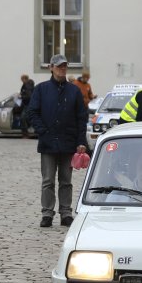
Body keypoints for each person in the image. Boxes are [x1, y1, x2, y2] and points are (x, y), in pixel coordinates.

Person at [23, 54, 89, 228]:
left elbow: (81, 117)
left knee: (66, 181)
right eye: (59, 66)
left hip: (68, 142)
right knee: (48, 181)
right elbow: (32, 112)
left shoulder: (74, 91)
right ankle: (47, 213)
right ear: (51, 68)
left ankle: (66, 213)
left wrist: (81, 141)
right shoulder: (41, 89)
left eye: (64, 66)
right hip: (48, 143)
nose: (62, 69)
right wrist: (43, 131)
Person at [17, 73, 35, 137]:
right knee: (25, 117)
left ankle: (25, 133)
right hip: (27, 104)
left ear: (24, 79)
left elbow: (29, 96)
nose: (21, 81)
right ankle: (26, 132)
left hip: (28, 104)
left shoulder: (28, 85)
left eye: (22, 79)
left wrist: (21, 96)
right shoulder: (26, 85)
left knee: (23, 117)